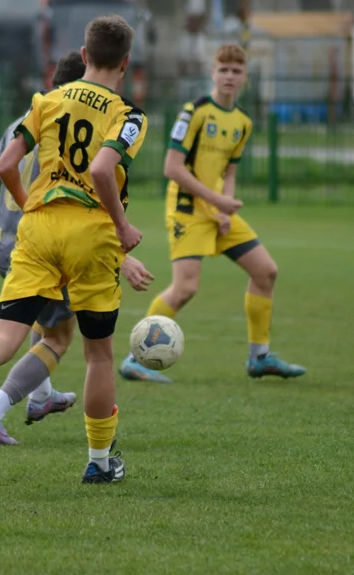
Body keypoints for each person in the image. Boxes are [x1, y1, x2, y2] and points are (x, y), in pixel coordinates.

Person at [0, 15, 146, 484]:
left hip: (39, 228)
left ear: (84, 56)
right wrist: (124, 227)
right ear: (124, 62)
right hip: (90, 233)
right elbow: (105, 170)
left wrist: (31, 208)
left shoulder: (46, 101)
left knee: (5, 337)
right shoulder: (128, 115)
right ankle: (101, 462)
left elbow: (9, 163)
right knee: (99, 355)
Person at [0, 50, 154, 446]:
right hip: (58, 239)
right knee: (61, 337)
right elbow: (86, 204)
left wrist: (6, 225)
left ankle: (41, 397)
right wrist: (122, 255)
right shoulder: (111, 118)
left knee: (40, 321)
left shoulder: (24, 120)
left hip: (12, 244)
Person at [120, 44, 306, 383]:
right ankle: (135, 359)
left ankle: (259, 357)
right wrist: (218, 202)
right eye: (224, 70)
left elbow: (229, 171)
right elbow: (172, 168)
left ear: (245, 77)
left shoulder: (243, 123)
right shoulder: (194, 112)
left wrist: (225, 206)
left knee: (265, 271)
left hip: (217, 212)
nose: (229, 77)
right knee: (185, 287)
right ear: (213, 73)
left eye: (236, 71)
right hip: (187, 210)